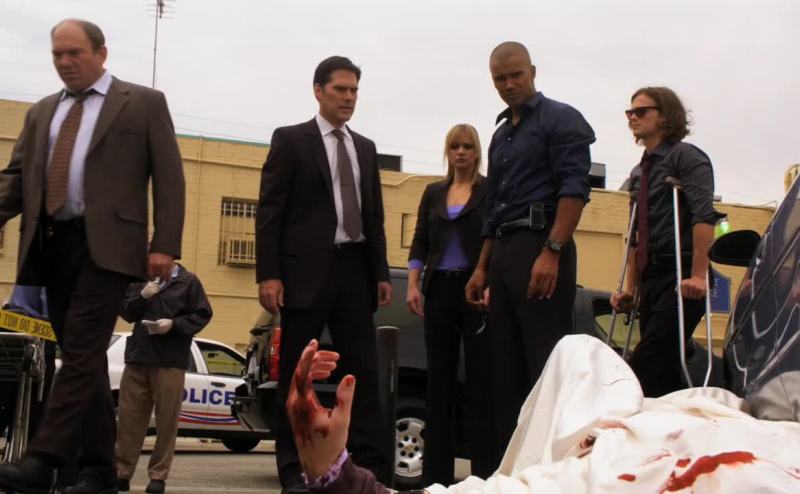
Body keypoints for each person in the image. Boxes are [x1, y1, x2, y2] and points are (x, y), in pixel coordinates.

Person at [0, 19, 185, 494]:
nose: (65, 62)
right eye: (57, 55)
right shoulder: (41, 112)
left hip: (109, 248)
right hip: (52, 246)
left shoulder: (142, 103)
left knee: (81, 350)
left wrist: (165, 243)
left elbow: (169, 177)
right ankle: (101, 471)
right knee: (86, 360)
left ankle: (42, 458)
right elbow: (16, 180)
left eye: (75, 53)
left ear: (101, 53)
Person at [256, 55, 393, 492]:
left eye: (354, 91)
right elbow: (270, 212)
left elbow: (374, 216)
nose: (349, 98)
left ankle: (369, 469)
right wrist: (269, 274)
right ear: (318, 91)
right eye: (340, 90)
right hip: (305, 274)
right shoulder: (291, 140)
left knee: (363, 373)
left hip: (355, 271)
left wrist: (380, 271)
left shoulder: (365, 148)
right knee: (298, 375)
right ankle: (293, 469)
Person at [464, 41, 596, 468]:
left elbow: (574, 189)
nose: (508, 84)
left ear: (533, 71)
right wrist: (481, 268)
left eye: (515, 75)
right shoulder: (500, 134)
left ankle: (548, 471)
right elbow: (493, 207)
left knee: (544, 365)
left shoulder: (561, 118)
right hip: (503, 250)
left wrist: (552, 251)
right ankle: (511, 472)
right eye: (499, 79)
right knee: (504, 369)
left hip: (541, 245)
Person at [610, 87, 718, 397]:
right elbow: (636, 235)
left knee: (646, 364)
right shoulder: (638, 172)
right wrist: (631, 288)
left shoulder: (687, 157)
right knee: (662, 376)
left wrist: (698, 275)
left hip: (681, 274)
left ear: (665, 115)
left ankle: (617, 404)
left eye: (641, 111)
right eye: (630, 112)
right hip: (651, 277)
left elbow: (703, 215)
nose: (633, 117)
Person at [405, 124, 493, 484]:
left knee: (480, 382)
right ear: (447, 151)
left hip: (475, 291)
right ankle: (435, 479)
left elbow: (496, 237)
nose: (461, 152)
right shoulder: (433, 192)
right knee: (438, 384)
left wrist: (490, 281)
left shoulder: (490, 190)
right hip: (439, 288)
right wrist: (413, 284)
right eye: (455, 146)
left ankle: (484, 475)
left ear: (477, 152)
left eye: (467, 146)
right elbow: (420, 240)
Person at [115, 263, 212, 494]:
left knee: (166, 422)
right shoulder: (140, 278)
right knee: (128, 420)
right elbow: (126, 312)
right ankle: (121, 473)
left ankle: (158, 476)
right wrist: (142, 296)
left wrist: (174, 324)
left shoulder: (189, 282)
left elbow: (203, 314)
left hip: (170, 361)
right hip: (138, 358)